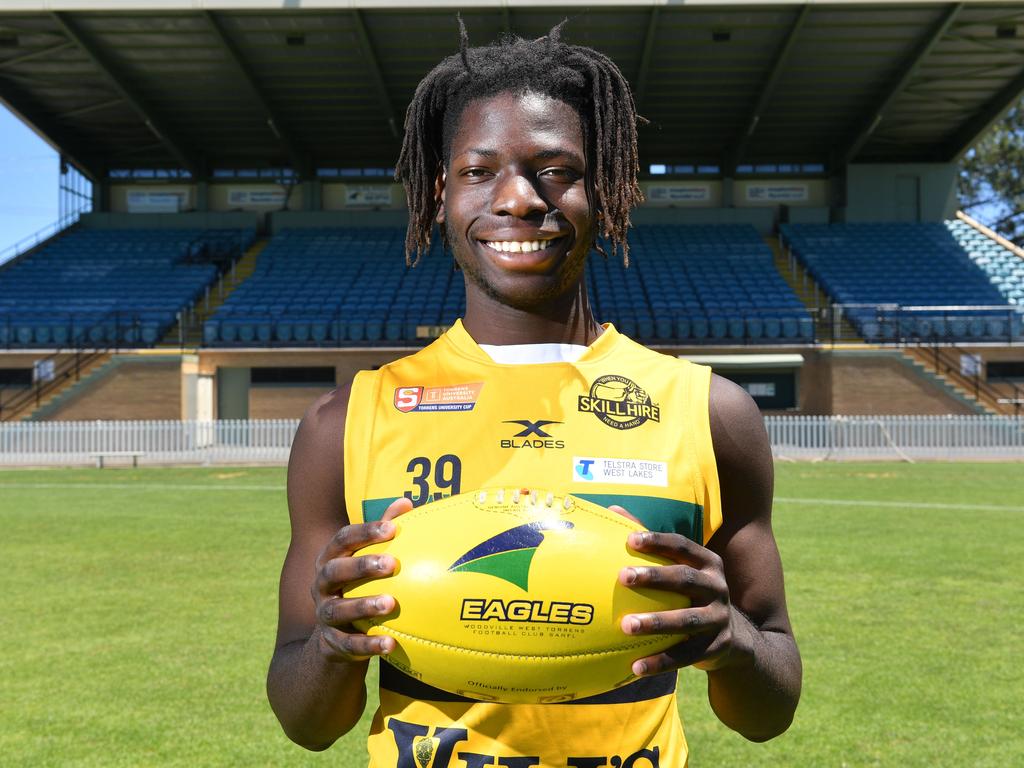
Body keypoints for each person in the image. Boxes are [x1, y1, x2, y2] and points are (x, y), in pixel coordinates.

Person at [267, 22, 801, 767]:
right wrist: (333, 641)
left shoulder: (707, 413)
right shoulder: (347, 422)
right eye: (479, 171)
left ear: (606, 187)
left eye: (555, 169)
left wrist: (730, 640)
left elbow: (769, 709)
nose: (518, 199)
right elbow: (306, 722)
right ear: (439, 193)